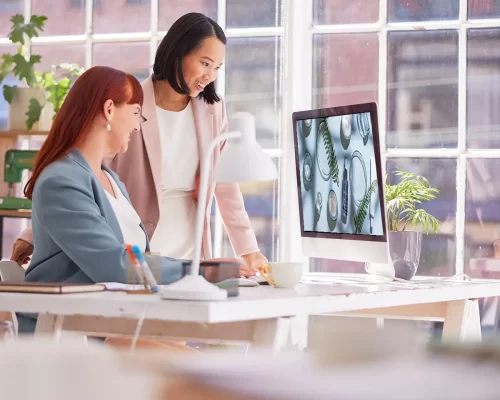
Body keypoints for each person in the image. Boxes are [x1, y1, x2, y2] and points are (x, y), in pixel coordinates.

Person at [11, 12, 267, 276]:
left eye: (217, 68)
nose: (210, 75)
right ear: (178, 53)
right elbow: (86, 169)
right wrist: (33, 234)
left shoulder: (212, 109)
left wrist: (247, 249)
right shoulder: (129, 103)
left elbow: (224, 183)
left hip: (190, 246)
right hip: (136, 246)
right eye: (205, 63)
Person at [16, 66, 236, 338]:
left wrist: (206, 269)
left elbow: (136, 258)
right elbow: (115, 264)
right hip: (67, 334)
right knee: (201, 370)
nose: (137, 124)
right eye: (134, 113)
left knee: (207, 364)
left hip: (109, 326)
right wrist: (201, 271)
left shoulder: (110, 179)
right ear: (109, 110)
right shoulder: (61, 181)